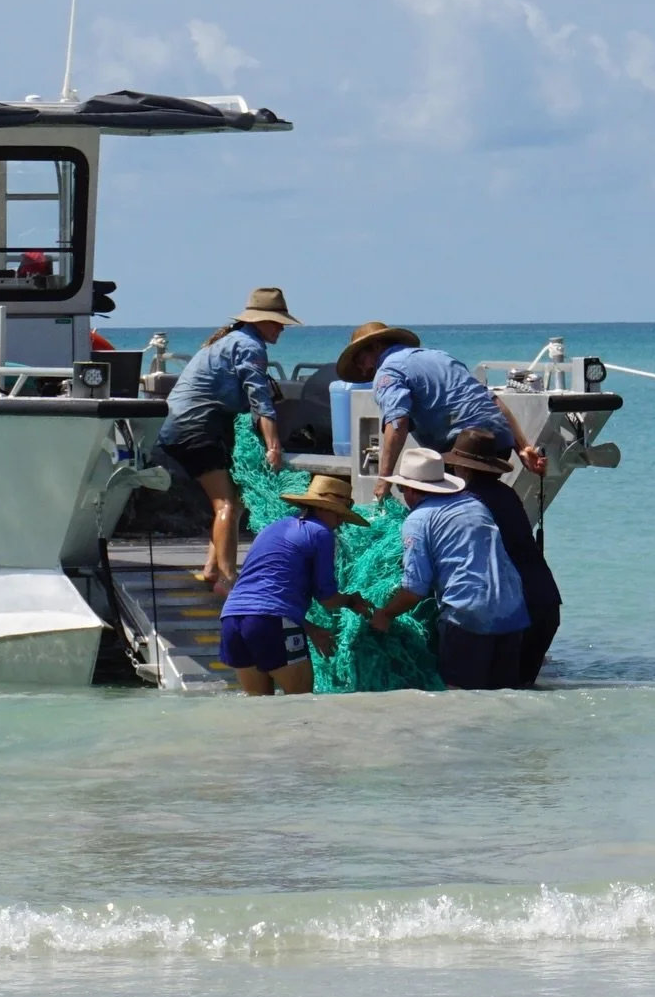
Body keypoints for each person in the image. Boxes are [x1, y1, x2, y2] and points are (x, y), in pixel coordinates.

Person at [157, 287, 298, 591]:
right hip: (195, 427)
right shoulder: (249, 345)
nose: (281, 329)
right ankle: (227, 578)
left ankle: (212, 569)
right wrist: (273, 446)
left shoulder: (230, 339)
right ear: (259, 320)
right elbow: (260, 401)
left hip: (181, 425)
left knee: (233, 500)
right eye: (277, 322)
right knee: (226, 505)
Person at [369, 448, 530, 690]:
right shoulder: (474, 505)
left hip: (467, 615)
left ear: (411, 490)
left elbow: (414, 589)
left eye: (402, 489)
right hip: (512, 611)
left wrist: (385, 614)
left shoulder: (418, 520)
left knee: (458, 697)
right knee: (504, 697)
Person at [333, 322, 547, 502]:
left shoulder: (387, 371)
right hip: (500, 443)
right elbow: (492, 401)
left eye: (361, 361)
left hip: (461, 446)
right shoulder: (440, 356)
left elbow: (397, 423)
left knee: (429, 501)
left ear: (376, 347)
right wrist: (523, 448)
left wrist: (384, 480)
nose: (364, 370)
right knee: (484, 502)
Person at [219, 474, 372, 694]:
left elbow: (266, 597)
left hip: (231, 620)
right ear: (323, 509)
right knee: (302, 704)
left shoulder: (273, 528)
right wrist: (352, 601)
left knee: (258, 706)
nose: (341, 522)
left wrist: (309, 628)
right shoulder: (321, 533)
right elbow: (327, 598)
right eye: (340, 515)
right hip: (270, 622)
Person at [444, 427, 562, 686]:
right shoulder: (507, 495)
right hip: (546, 603)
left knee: (485, 693)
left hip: (513, 611)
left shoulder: (466, 503)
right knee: (519, 691)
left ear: (462, 467)